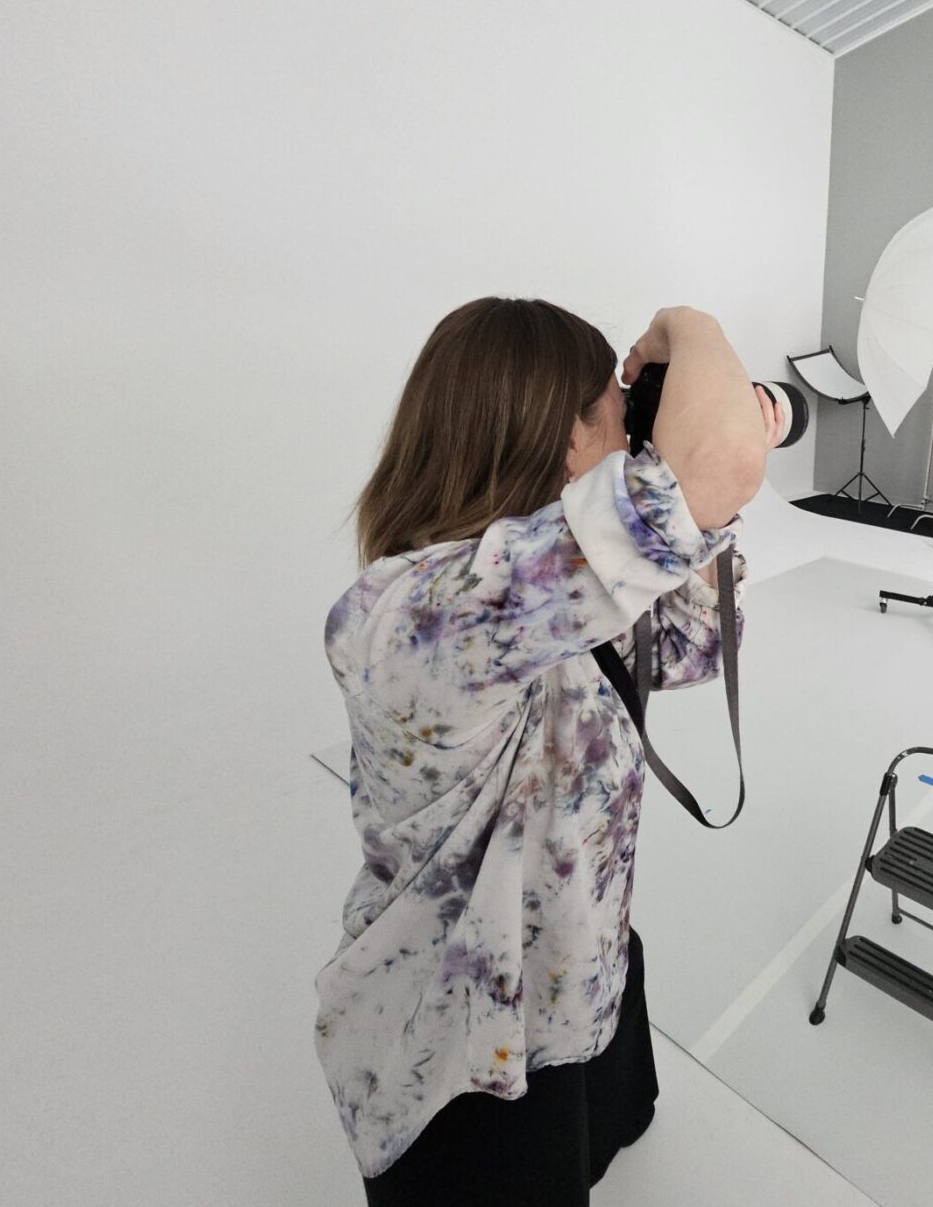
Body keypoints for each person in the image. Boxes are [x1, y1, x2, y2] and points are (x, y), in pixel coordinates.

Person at [315, 298, 788, 1205]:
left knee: (588, 1131)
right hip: (465, 1032)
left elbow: (696, 643)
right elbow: (719, 460)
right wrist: (688, 326)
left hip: (577, 958)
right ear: (564, 439)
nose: (631, 435)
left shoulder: (557, 594)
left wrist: (690, 507)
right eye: (615, 411)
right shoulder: (423, 612)